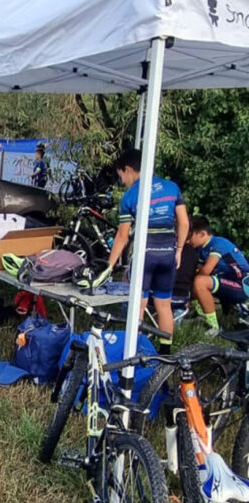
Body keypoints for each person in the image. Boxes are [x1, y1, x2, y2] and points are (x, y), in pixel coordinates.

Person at [97, 147, 189, 351]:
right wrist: (179, 249)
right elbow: (183, 223)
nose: (122, 181)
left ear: (129, 169)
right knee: (164, 305)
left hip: (145, 254)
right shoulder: (171, 187)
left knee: (138, 305)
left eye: (121, 176)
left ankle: (133, 351)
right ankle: (165, 353)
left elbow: (122, 236)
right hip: (168, 253)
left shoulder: (130, 197)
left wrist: (109, 266)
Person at [188, 215, 249, 334]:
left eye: (190, 237)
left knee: (200, 282)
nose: (188, 241)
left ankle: (213, 326)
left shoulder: (218, 243)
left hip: (242, 284)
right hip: (228, 282)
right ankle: (200, 315)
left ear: (202, 234)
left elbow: (206, 271)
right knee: (193, 282)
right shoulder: (201, 249)